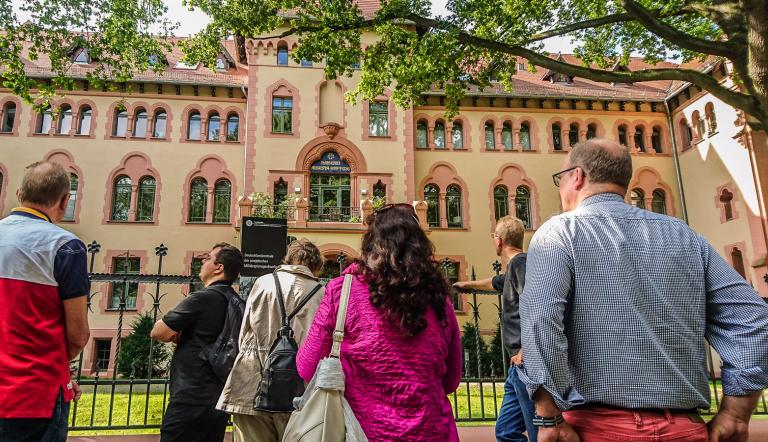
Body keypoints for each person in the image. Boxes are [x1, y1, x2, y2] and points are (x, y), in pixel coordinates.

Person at [518, 138, 768, 442]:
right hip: (685, 428)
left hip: (595, 429)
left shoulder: (559, 233)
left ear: (577, 177)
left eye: (561, 179)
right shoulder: (685, 236)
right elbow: (752, 318)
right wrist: (736, 414)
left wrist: (548, 417)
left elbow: (540, 320)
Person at [296, 203, 463, 441]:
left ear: (370, 246)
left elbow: (306, 366)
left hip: (364, 431)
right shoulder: (440, 301)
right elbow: (451, 379)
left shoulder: (343, 292)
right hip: (431, 431)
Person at [0, 161, 90, 442]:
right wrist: (58, 369)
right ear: (64, 201)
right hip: (34, 394)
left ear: (19, 193)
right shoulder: (65, 246)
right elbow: (78, 335)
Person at [218, 238, 325, 442]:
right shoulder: (322, 292)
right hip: (299, 390)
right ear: (316, 264)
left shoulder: (264, 282)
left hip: (253, 383)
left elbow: (245, 331)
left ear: (288, 259)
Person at [454, 216, 536, 442]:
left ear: (498, 240)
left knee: (537, 431)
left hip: (526, 363)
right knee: (506, 431)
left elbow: (535, 305)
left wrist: (525, 349)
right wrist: (466, 284)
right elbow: (495, 282)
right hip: (517, 368)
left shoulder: (520, 264)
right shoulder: (516, 268)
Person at [151, 243, 243, 442]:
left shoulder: (201, 298)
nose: (202, 261)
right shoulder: (236, 301)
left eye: (208, 258)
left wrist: (178, 333)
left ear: (219, 268)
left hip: (190, 395)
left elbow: (159, 331)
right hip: (218, 396)